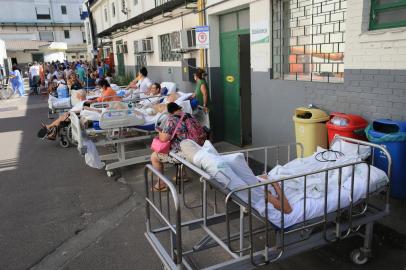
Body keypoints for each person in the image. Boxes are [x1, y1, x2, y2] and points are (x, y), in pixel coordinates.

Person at [151, 102, 206, 192]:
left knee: (154, 157)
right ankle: (182, 175)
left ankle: (161, 184)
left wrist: (160, 133)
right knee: (178, 143)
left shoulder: (172, 119)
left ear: (170, 112)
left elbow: (164, 139)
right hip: (198, 148)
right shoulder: (189, 116)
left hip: (186, 153)